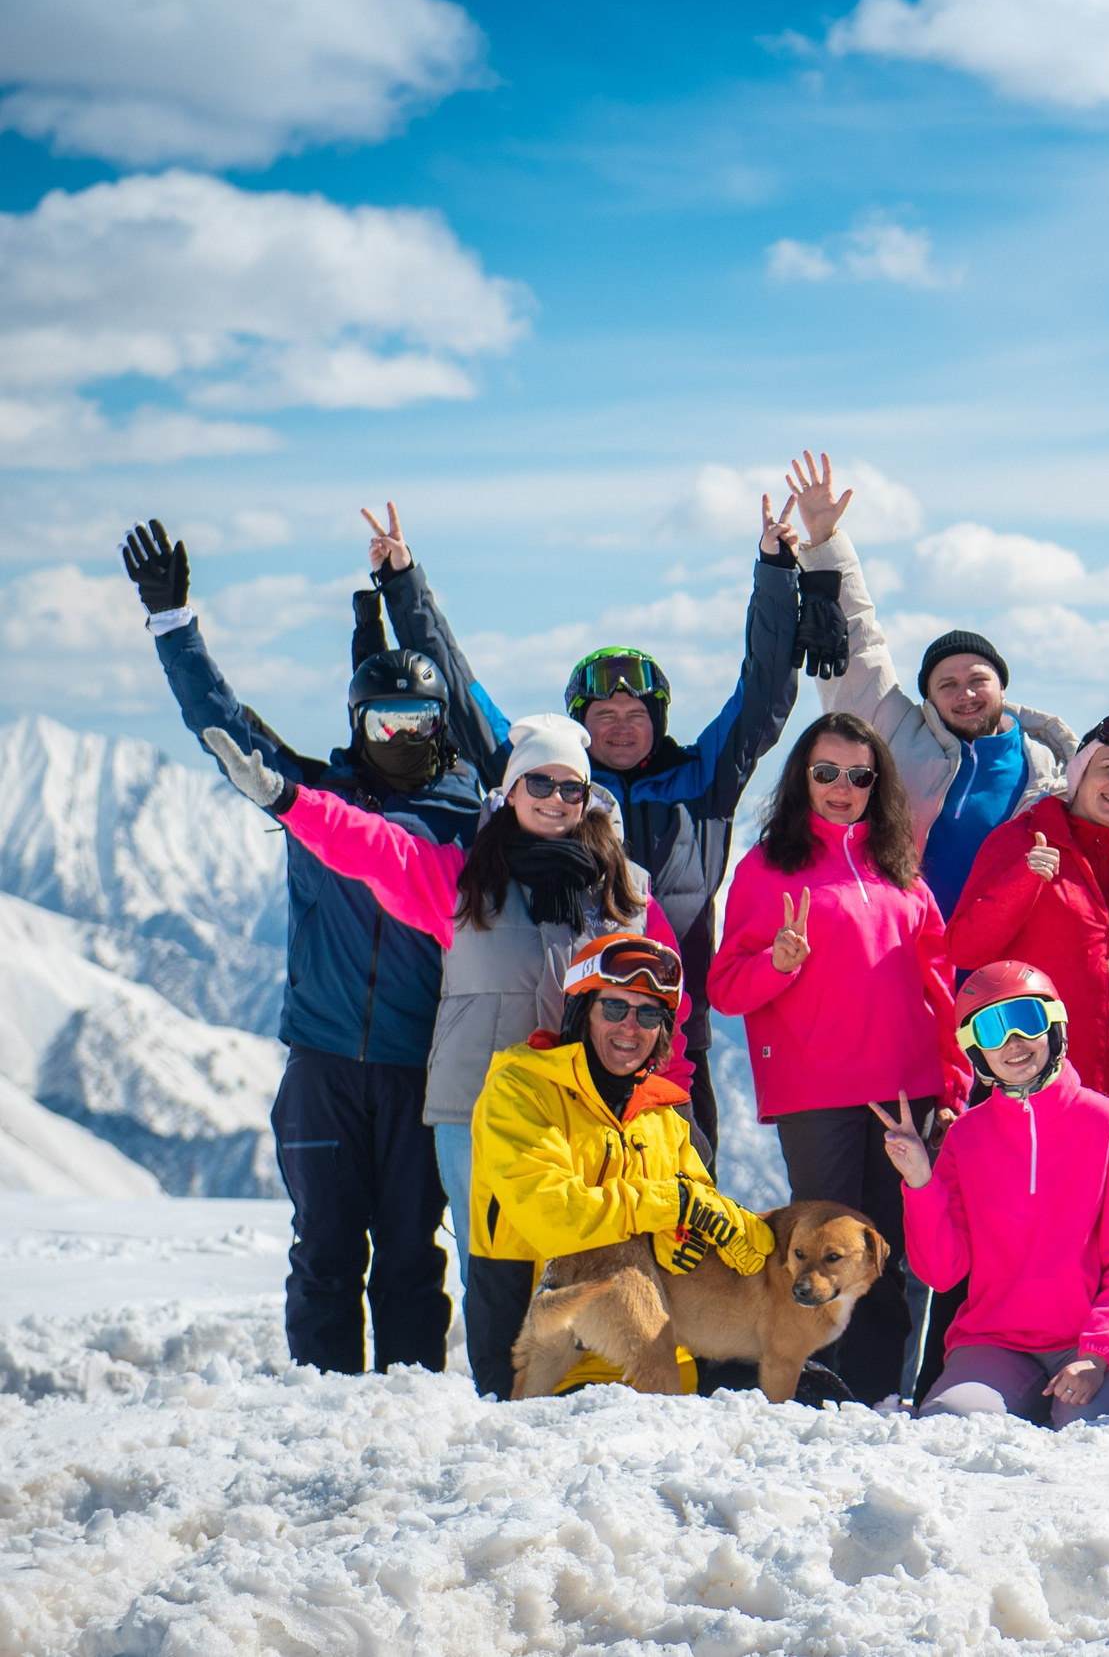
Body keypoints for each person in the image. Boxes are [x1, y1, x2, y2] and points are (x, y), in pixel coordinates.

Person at [200, 712, 697, 1370]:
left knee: (580, 1269)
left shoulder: (624, 898)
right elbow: (372, 846)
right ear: (510, 792)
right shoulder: (464, 883)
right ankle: (501, 1401)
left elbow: (671, 1012)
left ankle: (571, 1418)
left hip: (584, 1117)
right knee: (491, 1270)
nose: (554, 799)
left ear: (588, 800)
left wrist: (673, 1109)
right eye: (538, 784)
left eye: (569, 788)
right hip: (475, 1114)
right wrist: (286, 799)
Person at [123, 511, 495, 1375]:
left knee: (411, 1256)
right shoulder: (314, 798)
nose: (400, 740)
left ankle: (408, 1412)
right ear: (358, 722)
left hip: (414, 1067)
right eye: (382, 723)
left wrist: (403, 597)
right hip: (323, 1064)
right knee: (325, 1255)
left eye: (418, 723)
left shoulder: (468, 816)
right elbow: (219, 724)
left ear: (440, 725)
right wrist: (173, 623)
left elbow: (477, 706)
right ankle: (321, 1414)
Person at [408, 496, 805, 1175]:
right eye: (602, 713)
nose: (621, 725)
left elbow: (763, 692)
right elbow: (462, 693)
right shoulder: (549, 787)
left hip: (673, 1034)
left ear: (659, 719)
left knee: (683, 1204)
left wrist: (774, 572)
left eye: (635, 712)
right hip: (567, 1039)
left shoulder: (700, 780)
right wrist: (403, 586)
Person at [708, 711, 971, 1403]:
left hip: (904, 1092)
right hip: (815, 1092)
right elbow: (726, 988)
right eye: (826, 772)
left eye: (859, 775)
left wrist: (953, 1075)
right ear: (801, 777)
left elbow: (937, 982)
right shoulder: (767, 869)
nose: (842, 787)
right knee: (821, 1260)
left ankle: (882, 1397)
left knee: (884, 1258)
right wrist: (778, 961)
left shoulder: (899, 869)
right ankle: (818, 1394)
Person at [466, 934, 778, 1399]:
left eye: (649, 1014)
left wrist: (699, 1235)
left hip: (666, 1365)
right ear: (581, 1011)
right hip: (542, 1363)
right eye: (614, 1009)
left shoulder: (663, 1116)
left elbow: (711, 1224)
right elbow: (556, 1217)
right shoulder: (522, 1091)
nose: (630, 1027)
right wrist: (670, 1206)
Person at [881, 962, 1109, 1425]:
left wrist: (1097, 1353)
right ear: (976, 1051)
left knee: (1090, 1436)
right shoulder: (967, 1137)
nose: (1013, 1042)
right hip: (999, 1342)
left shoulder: (1106, 1122)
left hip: (1107, 1340)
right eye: (992, 1029)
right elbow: (941, 1271)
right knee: (952, 1429)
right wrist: (920, 1180)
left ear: (1054, 1027)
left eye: (1027, 1020)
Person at [794, 454, 1080, 919]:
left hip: (1004, 968)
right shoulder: (900, 734)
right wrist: (825, 541)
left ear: (1002, 687)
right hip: (909, 954)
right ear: (928, 698)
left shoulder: (1050, 766)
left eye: (977, 680)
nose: (964, 693)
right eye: (946, 684)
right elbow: (862, 643)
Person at [946, 714, 1109, 1126]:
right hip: (1035, 1091)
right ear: (1080, 771)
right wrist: (1024, 879)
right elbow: (964, 948)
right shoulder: (1019, 840)